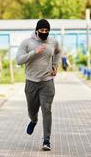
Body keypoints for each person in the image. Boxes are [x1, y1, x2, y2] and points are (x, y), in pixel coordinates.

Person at [16, 19, 61, 151]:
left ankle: (46, 140)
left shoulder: (53, 42)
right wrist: (34, 52)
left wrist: (55, 65)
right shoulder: (27, 43)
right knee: (32, 110)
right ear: (37, 30)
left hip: (47, 82)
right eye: (42, 30)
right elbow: (18, 60)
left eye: (47, 31)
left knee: (46, 110)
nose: (44, 33)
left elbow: (58, 52)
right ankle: (33, 120)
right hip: (31, 82)